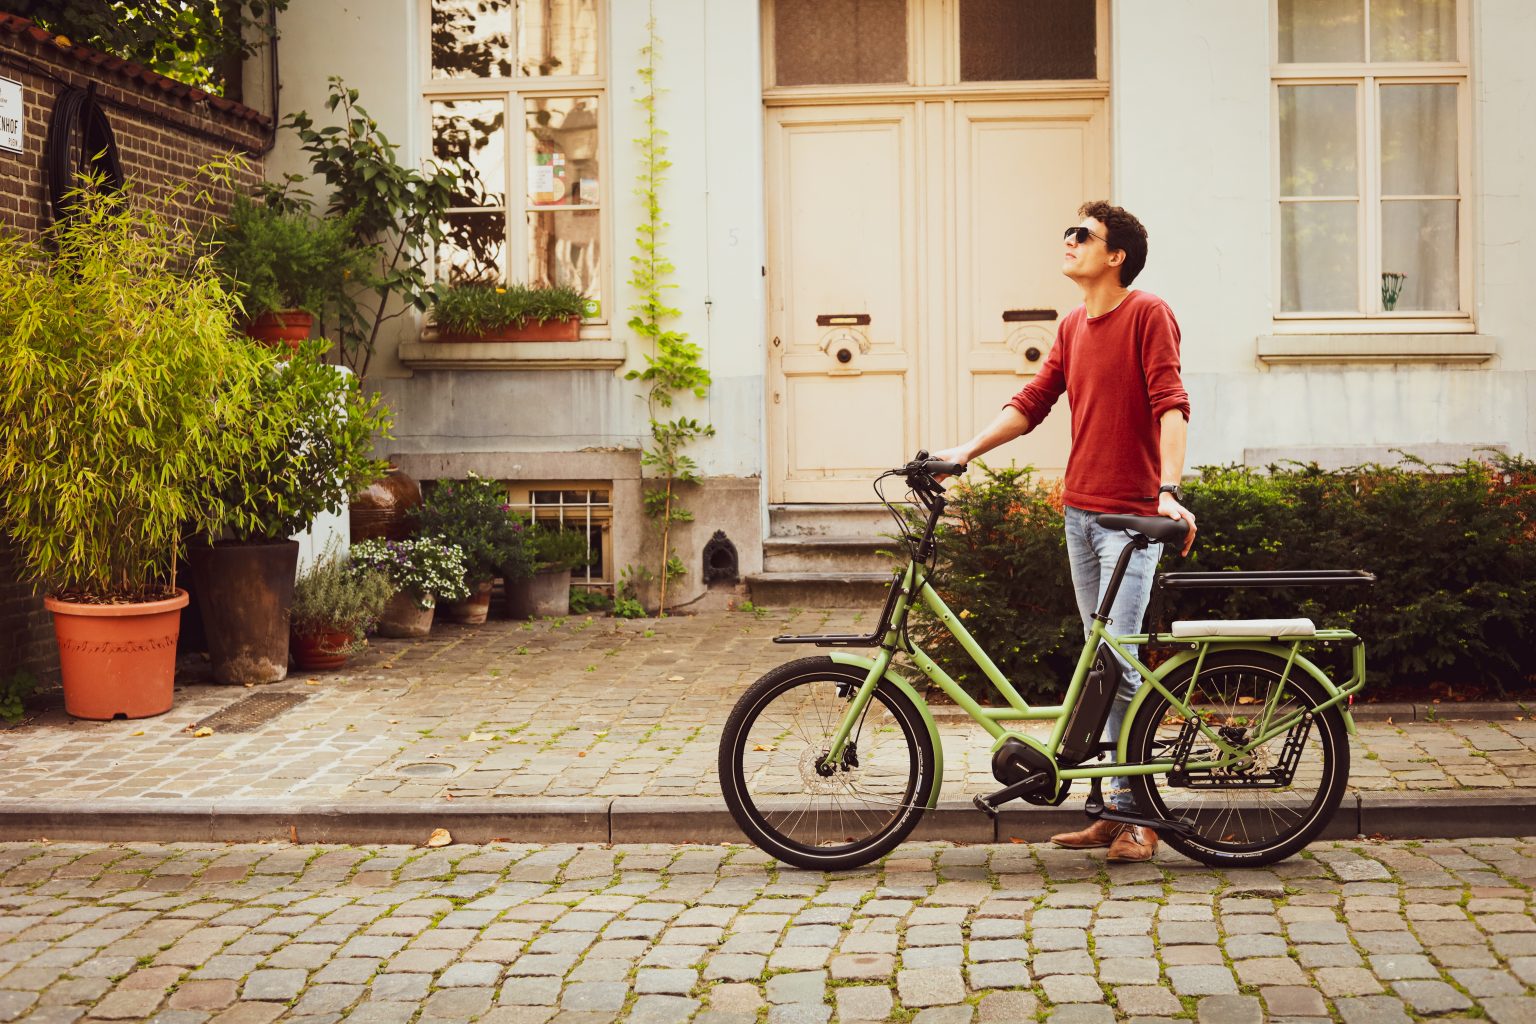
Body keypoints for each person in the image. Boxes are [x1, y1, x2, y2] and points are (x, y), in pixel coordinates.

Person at [933, 200, 1195, 863]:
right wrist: (962, 454)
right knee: (1100, 662)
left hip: (1129, 518)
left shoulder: (1147, 314)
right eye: (1068, 231)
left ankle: (1140, 819)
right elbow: (1033, 401)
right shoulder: (1075, 325)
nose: (1069, 241)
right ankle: (1110, 808)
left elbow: (1172, 405)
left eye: (1083, 234)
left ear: (1117, 257)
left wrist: (1169, 491)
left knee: (1123, 667)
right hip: (1081, 513)